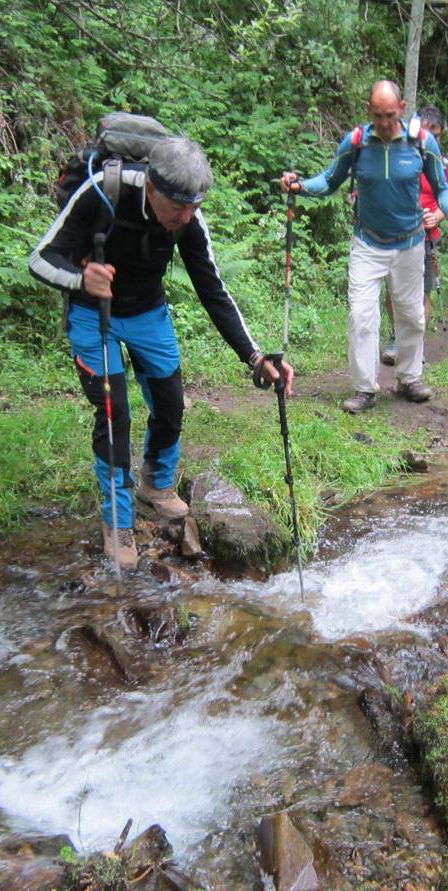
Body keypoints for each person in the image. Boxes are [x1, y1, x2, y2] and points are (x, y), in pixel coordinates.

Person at [29, 135, 293, 567]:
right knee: (114, 414)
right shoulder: (101, 191)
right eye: (179, 208)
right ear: (152, 187)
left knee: (170, 403)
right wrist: (81, 281)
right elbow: (40, 258)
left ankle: (157, 484)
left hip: (147, 311)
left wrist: (256, 356)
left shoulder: (189, 217)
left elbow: (212, 288)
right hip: (92, 312)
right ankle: (118, 521)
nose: (187, 217)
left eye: (194, 207)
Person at [281, 80, 448, 414]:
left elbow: (442, 187)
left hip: (410, 242)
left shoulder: (422, 142)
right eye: (378, 114)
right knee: (362, 317)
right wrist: (300, 185)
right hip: (367, 243)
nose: (384, 122)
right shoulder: (356, 142)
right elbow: (329, 180)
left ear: (402, 107)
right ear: (369, 110)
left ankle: (409, 379)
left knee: (411, 316)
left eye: (390, 114)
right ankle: (365, 389)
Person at [382, 104, 448, 366]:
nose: (430, 138)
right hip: (396, 232)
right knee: (392, 291)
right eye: (426, 132)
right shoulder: (398, 156)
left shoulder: (444, 165)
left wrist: (437, 215)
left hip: (426, 234)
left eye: (435, 134)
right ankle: (396, 336)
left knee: (422, 293)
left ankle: (416, 343)